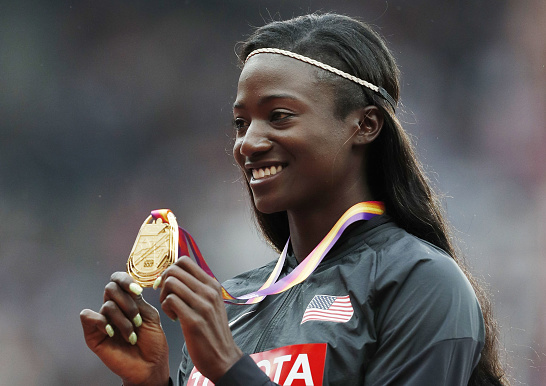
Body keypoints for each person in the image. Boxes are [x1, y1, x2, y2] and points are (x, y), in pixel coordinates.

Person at [80, 13, 507, 385]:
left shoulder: (420, 284)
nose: (248, 142)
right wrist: (150, 381)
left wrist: (230, 367)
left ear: (365, 125)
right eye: (241, 122)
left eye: (279, 116)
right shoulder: (229, 304)